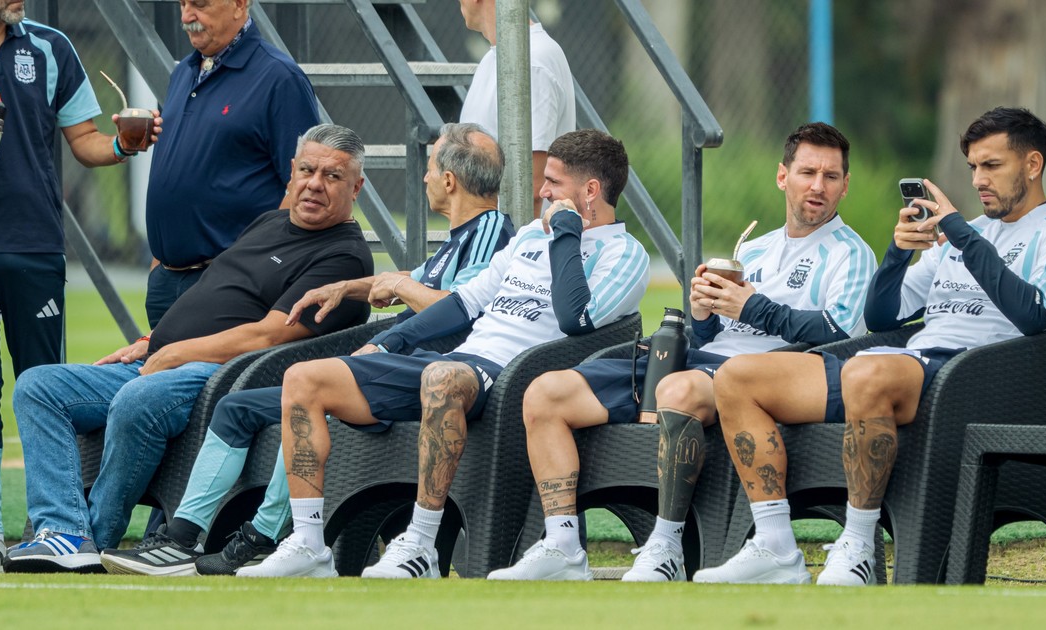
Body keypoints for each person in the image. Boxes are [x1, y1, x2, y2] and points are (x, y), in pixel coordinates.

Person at [97, 122, 516, 577]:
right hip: (398, 366)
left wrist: (391, 309)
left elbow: (461, 308)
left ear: (449, 180)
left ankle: (267, 537)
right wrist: (350, 287)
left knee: (310, 389)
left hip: (428, 374)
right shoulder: (460, 238)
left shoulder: (490, 230)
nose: (425, 177)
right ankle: (180, 538)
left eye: (430, 168)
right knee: (237, 408)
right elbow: (419, 282)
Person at [706, 107, 1046, 585]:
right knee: (737, 378)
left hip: (978, 382)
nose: (978, 180)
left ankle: (859, 547)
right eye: (973, 166)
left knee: (867, 372)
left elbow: (1034, 315)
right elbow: (882, 317)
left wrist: (962, 235)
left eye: (992, 165)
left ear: (1033, 164)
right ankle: (776, 547)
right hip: (906, 368)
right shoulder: (962, 238)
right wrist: (897, 253)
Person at [238, 129, 649, 578]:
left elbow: (576, 318)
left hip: (513, 378)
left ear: (590, 191)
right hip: (461, 361)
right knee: (304, 379)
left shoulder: (624, 254)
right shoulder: (531, 235)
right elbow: (464, 302)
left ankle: (420, 545)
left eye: (553, 182)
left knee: (441, 378)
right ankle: (308, 544)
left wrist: (568, 232)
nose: (542, 192)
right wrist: (387, 342)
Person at [487, 122, 877, 582]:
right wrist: (705, 312)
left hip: (766, 378)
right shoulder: (753, 250)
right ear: (782, 177)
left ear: (845, 186)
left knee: (677, 390)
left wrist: (753, 308)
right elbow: (714, 336)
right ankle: (563, 545)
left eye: (831, 177)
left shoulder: (851, 253)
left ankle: (666, 545)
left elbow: (839, 331)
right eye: (807, 172)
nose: (818, 186)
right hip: (701, 363)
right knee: (546, 393)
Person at [1, 124, 374, 573]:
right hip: (160, 361)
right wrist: (151, 342)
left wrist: (176, 353)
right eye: (308, 170)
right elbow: (216, 295)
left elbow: (268, 336)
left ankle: (95, 538)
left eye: (332, 176)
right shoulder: (271, 222)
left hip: (221, 375)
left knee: (137, 399)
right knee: (38, 386)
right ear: (292, 172)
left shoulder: (344, 257)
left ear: (356, 187)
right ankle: (64, 532)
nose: (314, 184)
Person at [0, 0, 162, 574]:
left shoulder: (51, 46)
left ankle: (52, 523)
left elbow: (86, 140)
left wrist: (123, 145)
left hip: (37, 246)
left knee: (47, 385)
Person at [145, 0, 319, 328]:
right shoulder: (183, 72)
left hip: (228, 285)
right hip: (167, 281)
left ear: (239, 4)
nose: (186, 16)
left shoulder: (279, 77)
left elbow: (303, 186)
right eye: (182, 3)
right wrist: (160, 264)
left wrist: (248, 271)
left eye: (199, 3)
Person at [457, 0, 575, 217]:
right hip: (491, 234)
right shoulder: (493, 58)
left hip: (515, 237)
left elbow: (532, 188)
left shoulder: (534, 60)